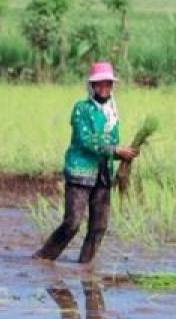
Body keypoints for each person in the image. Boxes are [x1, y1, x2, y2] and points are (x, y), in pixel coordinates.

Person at [34, 62, 136, 264]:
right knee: (73, 223)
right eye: (99, 84)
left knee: (99, 225)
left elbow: (109, 146)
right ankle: (44, 257)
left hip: (103, 175)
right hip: (80, 173)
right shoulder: (81, 109)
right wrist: (116, 150)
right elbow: (85, 140)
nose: (104, 88)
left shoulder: (112, 114)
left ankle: (85, 265)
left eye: (107, 84)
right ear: (92, 86)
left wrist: (124, 154)